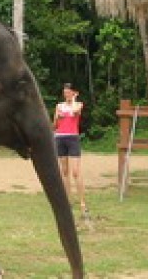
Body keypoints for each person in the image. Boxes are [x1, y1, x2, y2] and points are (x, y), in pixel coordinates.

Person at [52, 83, 88, 215]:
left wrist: (73, 99)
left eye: (69, 92)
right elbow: (54, 125)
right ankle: (68, 201)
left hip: (73, 139)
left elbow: (75, 112)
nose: (66, 95)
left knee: (76, 172)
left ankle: (82, 202)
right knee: (65, 171)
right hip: (60, 138)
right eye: (65, 92)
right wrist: (57, 118)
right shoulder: (59, 106)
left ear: (74, 93)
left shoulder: (78, 104)